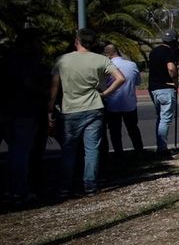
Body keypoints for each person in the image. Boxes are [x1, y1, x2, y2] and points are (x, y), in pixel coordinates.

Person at [48, 29, 125, 196]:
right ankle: (90, 184)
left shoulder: (62, 60)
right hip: (94, 107)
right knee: (92, 148)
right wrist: (105, 93)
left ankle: (65, 186)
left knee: (69, 149)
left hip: (70, 108)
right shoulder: (101, 59)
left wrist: (50, 107)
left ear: (77, 41)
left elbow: (55, 86)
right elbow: (121, 78)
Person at [0, 29, 48, 204]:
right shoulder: (23, 62)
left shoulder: (8, 59)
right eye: (37, 42)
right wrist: (45, 93)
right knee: (20, 152)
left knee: (14, 152)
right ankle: (19, 191)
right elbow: (29, 83)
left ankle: (11, 189)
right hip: (23, 111)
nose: (40, 45)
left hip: (10, 110)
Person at [102, 44, 144, 158]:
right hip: (129, 103)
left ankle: (119, 153)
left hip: (112, 104)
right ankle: (139, 151)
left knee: (115, 132)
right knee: (133, 129)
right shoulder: (132, 65)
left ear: (107, 54)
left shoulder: (106, 66)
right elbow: (138, 82)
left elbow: (102, 85)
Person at [148, 29, 179, 158]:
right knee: (165, 119)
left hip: (153, 87)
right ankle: (162, 148)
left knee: (160, 118)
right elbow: (171, 68)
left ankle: (160, 144)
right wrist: (175, 79)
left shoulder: (154, 51)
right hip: (166, 87)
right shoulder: (169, 52)